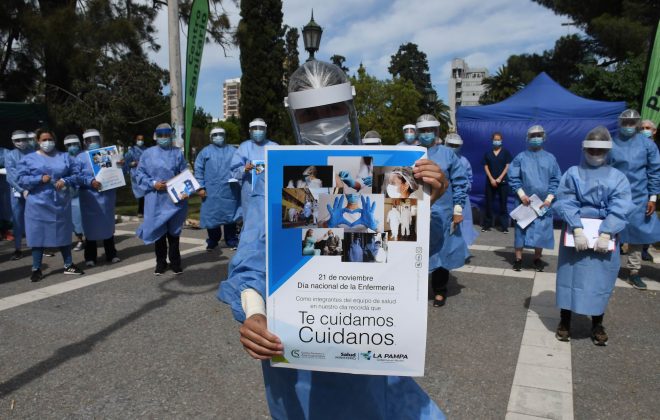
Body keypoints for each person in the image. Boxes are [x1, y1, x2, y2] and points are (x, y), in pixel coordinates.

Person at [218, 60, 447, 419]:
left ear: (350, 107)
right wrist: (255, 315)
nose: (323, 121)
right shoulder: (284, 178)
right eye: (310, 113)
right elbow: (253, 257)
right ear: (294, 116)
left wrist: (425, 201)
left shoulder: (384, 173)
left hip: (368, 337)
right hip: (299, 342)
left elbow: (411, 255)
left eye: (332, 109)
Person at [554, 126, 633, 345]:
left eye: (600, 151)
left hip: (604, 235)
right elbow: (565, 200)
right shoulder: (573, 173)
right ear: (584, 149)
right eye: (592, 151)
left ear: (608, 151)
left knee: (600, 280)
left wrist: (608, 231)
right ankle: (565, 321)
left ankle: (597, 322)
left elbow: (622, 204)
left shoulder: (617, 177)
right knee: (569, 278)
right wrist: (577, 228)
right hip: (576, 232)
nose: (595, 155)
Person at [16, 128, 84, 281]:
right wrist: (39, 179)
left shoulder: (64, 156)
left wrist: (65, 180)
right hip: (38, 204)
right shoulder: (29, 159)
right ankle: (36, 268)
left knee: (63, 233)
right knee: (37, 236)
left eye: (50, 139)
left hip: (60, 202)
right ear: (38, 141)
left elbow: (76, 174)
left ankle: (68, 264)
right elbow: (21, 179)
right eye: (44, 140)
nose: (47, 143)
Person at [417, 114, 469, 308]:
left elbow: (460, 182)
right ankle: (416, 290)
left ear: (437, 132)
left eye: (430, 130)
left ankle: (440, 291)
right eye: (422, 131)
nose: (426, 134)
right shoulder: (411, 152)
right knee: (417, 251)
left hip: (443, 212)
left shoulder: (448, 154)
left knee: (441, 251)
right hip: (417, 211)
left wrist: (457, 209)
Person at [609, 109, 660, 289]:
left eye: (632, 123)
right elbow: (604, 168)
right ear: (620, 123)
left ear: (637, 124)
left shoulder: (647, 145)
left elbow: (654, 171)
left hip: (639, 195)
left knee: (637, 236)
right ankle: (609, 269)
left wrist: (652, 197)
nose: (629, 126)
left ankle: (634, 272)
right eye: (625, 123)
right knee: (612, 232)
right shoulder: (612, 142)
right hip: (615, 195)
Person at [136, 123, 188, 275]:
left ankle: (175, 262)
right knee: (159, 233)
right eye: (161, 135)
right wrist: (154, 183)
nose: (164, 138)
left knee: (174, 233)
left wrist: (187, 187)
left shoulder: (177, 153)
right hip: (156, 198)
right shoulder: (147, 154)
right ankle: (160, 263)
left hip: (174, 198)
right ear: (155, 136)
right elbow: (140, 174)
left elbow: (183, 171)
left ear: (171, 135)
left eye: (167, 134)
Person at [508, 125, 561, 272]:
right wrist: (521, 194)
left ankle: (537, 259)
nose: (536, 138)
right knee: (521, 230)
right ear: (527, 138)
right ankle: (518, 259)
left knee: (541, 231)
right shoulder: (521, 157)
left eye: (539, 135)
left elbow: (556, 179)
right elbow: (513, 177)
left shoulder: (550, 158)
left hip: (543, 203)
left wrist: (549, 198)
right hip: (524, 201)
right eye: (533, 135)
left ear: (544, 137)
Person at [76, 129, 120, 267]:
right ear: (84, 142)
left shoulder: (106, 153)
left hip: (106, 197)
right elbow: (77, 176)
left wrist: (119, 165)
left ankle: (111, 254)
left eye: (95, 139)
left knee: (108, 225)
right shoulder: (80, 158)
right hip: (90, 198)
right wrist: (90, 182)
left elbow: (114, 174)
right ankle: (90, 257)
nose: (93, 143)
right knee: (90, 228)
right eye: (89, 140)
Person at [194, 127, 240, 251]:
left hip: (229, 190)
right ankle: (213, 240)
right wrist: (200, 187)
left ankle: (231, 239)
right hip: (210, 190)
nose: (218, 137)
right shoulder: (205, 152)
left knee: (230, 215)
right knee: (212, 216)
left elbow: (240, 167)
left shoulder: (233, 151)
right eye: (215, 135)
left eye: (221, 134)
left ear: (225, 136)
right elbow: (198, 170)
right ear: (211, 137)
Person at [230, 118, 276, 213]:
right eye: (255, 128)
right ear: (250, 130)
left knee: (269, 219)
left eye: (261, 128)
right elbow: (234, 171)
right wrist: (244, 169)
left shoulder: (274, 146)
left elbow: (281, 166)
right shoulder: (244, 147)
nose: (258, 131)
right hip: (250, 193)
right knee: (251, 221)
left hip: (270, 191)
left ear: (266, 130)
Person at [445, 133, 479, 251]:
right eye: (451, 145)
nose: (453, 147)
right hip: (444, 197)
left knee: (464, 224)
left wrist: (464, 187)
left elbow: (470, 178)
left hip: (462, 198)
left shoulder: (464, 161)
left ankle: (462, 250)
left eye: (456, 145)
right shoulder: (442, 159)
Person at [5, 130, 35, 259]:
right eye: (17, 140)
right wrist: (22, 190)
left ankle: (37, 245)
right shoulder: (10, 155)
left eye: (23, 139)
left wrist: (33, 187)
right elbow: (11, 177)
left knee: (35, 219)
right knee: (18, 221)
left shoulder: (33, 152)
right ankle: (18, 248)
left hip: (33, 190)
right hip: (17, 193)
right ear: (13, 141)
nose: (21, 142)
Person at [481, 132, 512, 232]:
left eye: (498, 139)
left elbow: (507, 166)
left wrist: (499, 178)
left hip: (502, 182)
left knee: (503, 204)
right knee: (489, 204)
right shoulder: (488, 153)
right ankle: (487, 225)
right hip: (490, 182)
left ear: (501, 140)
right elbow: (485, 166)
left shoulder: (506, 153)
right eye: (495, 139)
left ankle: (504, 227)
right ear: (492, 140)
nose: (497, 141)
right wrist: (491, 179)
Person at [63, 135, 85, 251]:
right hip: (72, 193)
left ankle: (92, 238)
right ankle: (80, 240)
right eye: (69, 145)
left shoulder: (84, 156)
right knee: (75, 217)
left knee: (88, 216)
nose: (72, 147)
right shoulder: (64, 158)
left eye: (75, 144)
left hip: (86, 189)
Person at [123, 134, 147, 217]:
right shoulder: (131, 151)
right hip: (135, 174)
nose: (140, 141)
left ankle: (142, 210)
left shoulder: (146, 150)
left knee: (145, 192)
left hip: (145, 173)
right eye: (139, 139)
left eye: (142, 139)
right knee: (140, 192)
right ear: (136, 140)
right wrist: (132, 163)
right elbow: (126, 162)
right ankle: (141, 211)